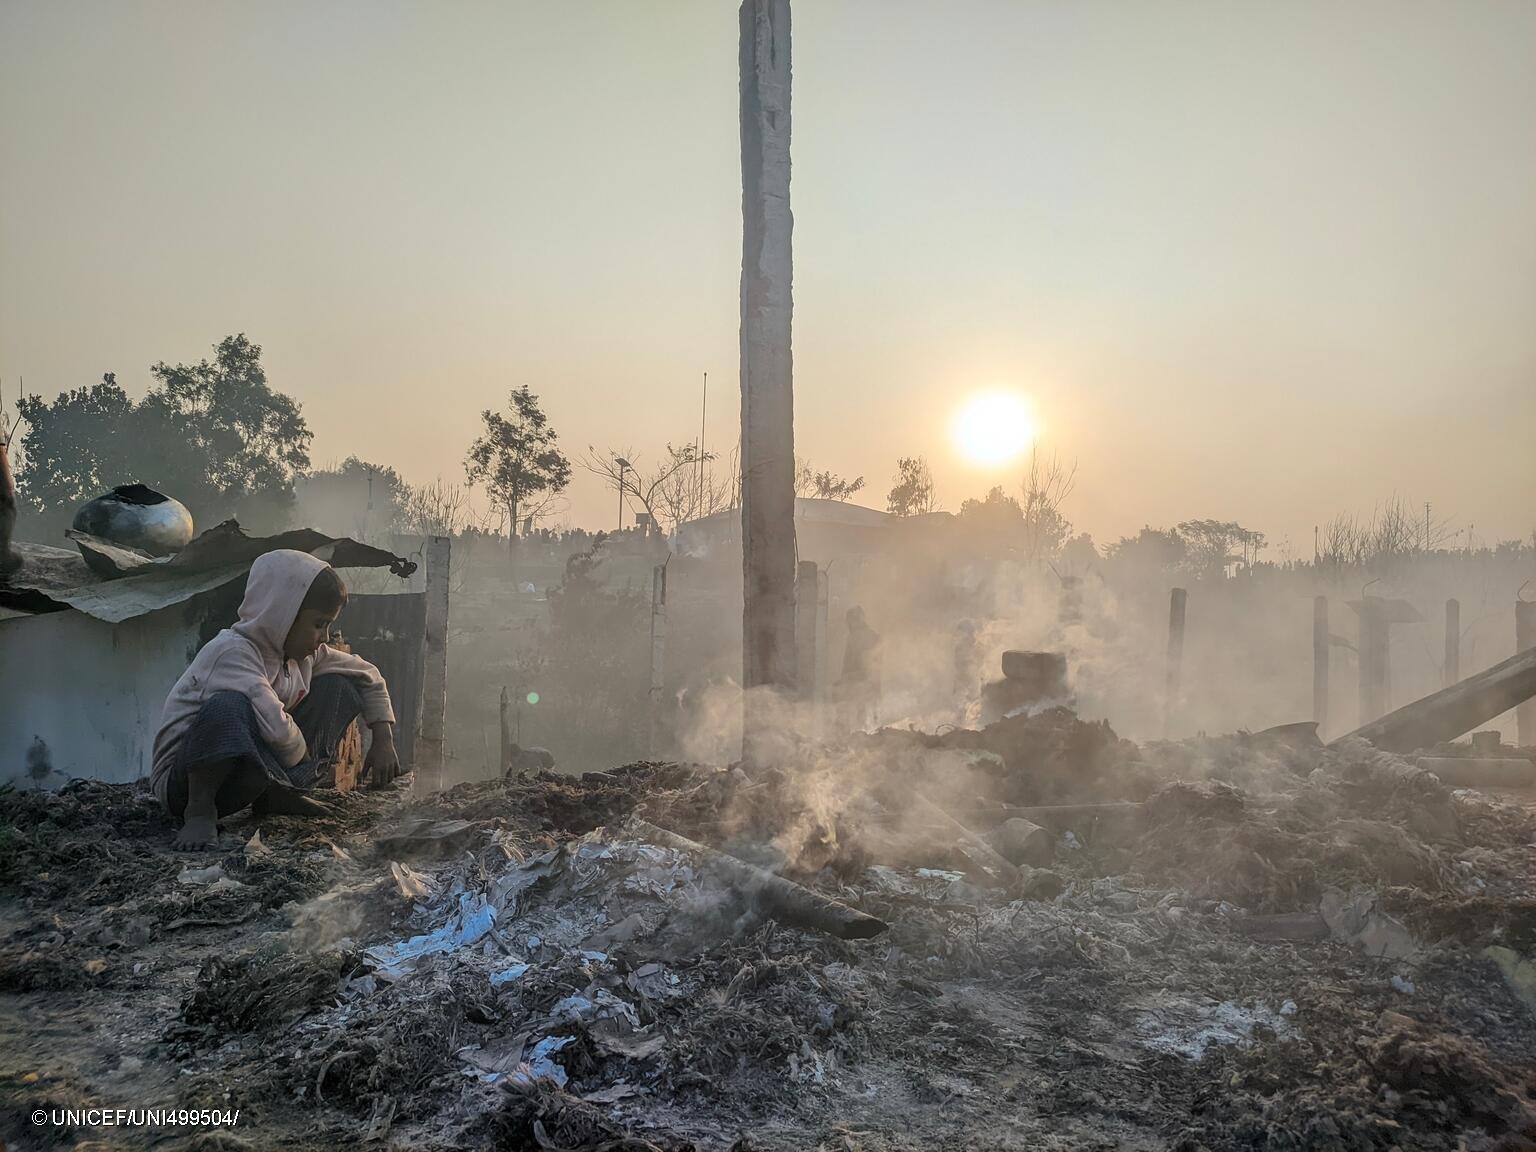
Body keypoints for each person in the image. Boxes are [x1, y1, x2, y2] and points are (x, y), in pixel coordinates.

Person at [152, 550, 402, 850]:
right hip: (185, 783)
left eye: (328, 625)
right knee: (229, 706)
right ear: (281, 614)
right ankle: (200, 812)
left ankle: (278, 795)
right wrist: (303, 758)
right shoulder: (232, 652)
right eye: (318, 624)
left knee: (340, 686)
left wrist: (383, 735)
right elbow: (273, 722)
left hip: (246, 775)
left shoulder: (299, 656)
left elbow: (366, 673)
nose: (324, 637)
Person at [840, 605, 881, 732]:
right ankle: (871, 733)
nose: (849, 624)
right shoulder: (874, 635)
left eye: (851, 620)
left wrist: (845, 677)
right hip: (868, 679)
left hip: (858, 679)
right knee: (870, 708)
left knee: (859, 709)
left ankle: (861, 736)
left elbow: (848, 661)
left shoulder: (854, 637)